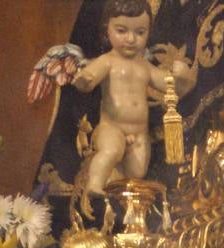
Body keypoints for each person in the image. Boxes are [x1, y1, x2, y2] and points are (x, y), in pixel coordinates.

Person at [67, 0, 195, 193]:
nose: (131, 39)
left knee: (138, 172)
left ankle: (117, 187)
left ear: (148, 32)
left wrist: (184, 77)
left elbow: (170, 85)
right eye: (121, 31)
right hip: (112, 127)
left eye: (140, 32)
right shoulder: (107, 61)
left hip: (140, 132)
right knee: (111, 151)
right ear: (106, 30)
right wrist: (84, 80)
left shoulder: (145, 66)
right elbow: (90, 77)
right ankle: (94, 184)